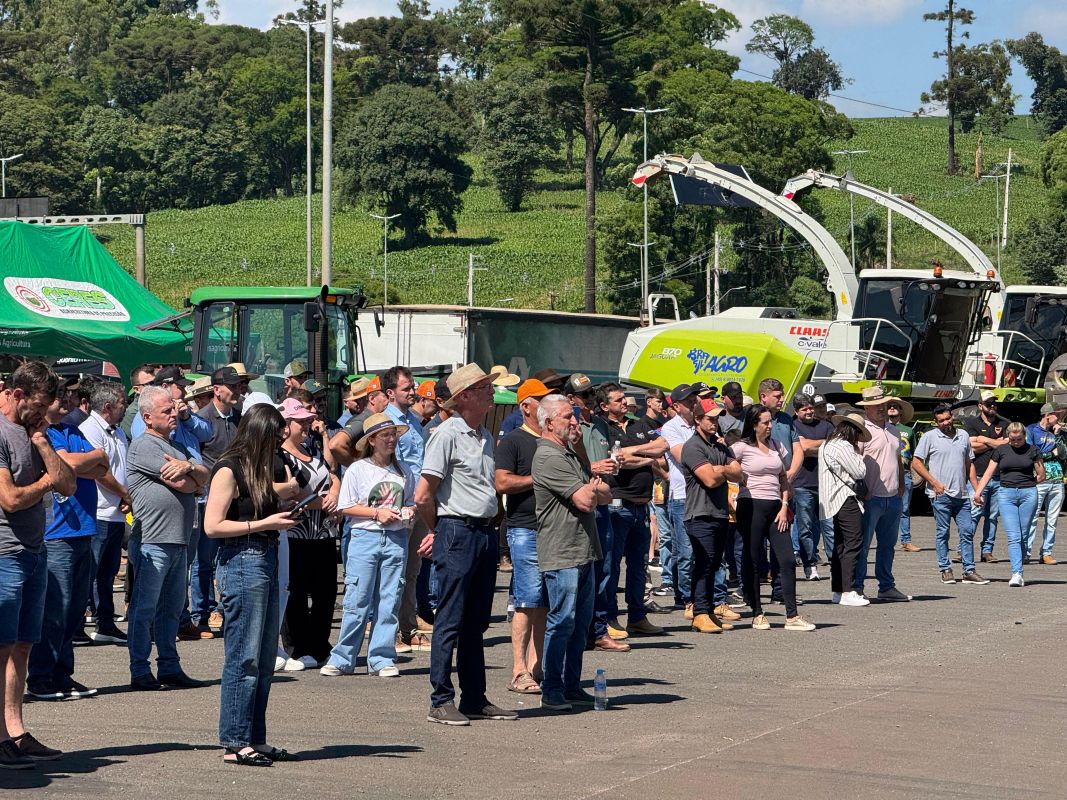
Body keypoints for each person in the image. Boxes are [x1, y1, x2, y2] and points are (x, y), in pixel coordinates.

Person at [415, 363, 518, 726]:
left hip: (483, 531)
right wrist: (439, 529)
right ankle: (440, 699)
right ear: (466, 396)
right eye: (485, 388)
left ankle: (474, 697)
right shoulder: (446, 434)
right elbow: (423, 494)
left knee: (475, 622)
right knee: (450, 619)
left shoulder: (484, 436)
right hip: (457, 528)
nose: (492, 393)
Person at [204, 404, 299, 767]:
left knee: (262, 658)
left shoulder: (259, 470)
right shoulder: (229, 468)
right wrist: (264, 524)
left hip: (265, 556)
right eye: (276, 437)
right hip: (241, 560)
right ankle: (235, 741)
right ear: (260, 433)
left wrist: (282, 516)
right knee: (243, 657)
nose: (279, 445)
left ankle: (253, 738)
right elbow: (213, 526)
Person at [0, 362, 76, 769]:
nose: (45, 413)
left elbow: (69, 484)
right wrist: (46, 481)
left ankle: (16, 731)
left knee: (23, 646)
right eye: (40, 405)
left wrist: (45, 447)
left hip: (33, 551)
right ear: (15, 394)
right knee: (2, 647)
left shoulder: (36, 432)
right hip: (4, 555)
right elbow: (9, 499)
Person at [25, 391, 108, 701]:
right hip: (57, 534)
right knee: (54, 612)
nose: (67, 402)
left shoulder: (72, 430)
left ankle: (62, 674)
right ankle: (41, 678)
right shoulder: (41, 434)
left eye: (68, 397)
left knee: (74, 614)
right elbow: (71, 464)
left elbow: (103, 467)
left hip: (84, 531)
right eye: (60, 397)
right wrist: (90, 459)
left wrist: (87, 462)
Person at [125, 386, 209, 691]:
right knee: (144, 608)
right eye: (167, 411)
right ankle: (139, 669)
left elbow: (203, 474)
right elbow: (189, 486)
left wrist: (190, 468)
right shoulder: (145, 445)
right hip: (152, 540)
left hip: (177, 540)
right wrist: (193, 478)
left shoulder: (175, 447)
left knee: (171, 610)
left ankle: (169, 668)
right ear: (147, 417)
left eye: (174, 409)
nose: (175, 414)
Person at [321, 412, 416, 678]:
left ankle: (381, 657)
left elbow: (410, 503)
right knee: (357, 598)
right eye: (385, 435)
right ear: (371, 440)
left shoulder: (404, 471)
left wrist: (409, 511)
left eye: (393, 435)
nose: (391, 440)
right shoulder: (358, 470)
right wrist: (376, 513)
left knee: (389, 599)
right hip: (365, 537)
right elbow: (346, 507)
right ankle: (343, 657)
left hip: (396, 539)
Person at [532, 395, 609, 711]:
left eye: (575, 415)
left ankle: (571, 684)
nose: (575, 421)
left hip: (583, 549)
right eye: (568, 416)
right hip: (562, 552)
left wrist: (593, 486)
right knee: (562, 621)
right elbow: (586, 499)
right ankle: (551, 688)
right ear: (549, 423)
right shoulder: (549, 457)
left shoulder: (570, 456)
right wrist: (592, 485)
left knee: (580, 624)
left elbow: (605, 494)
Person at [731, 404, 813, 631]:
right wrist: (734, 492)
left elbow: (783, 477)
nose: (770, 426)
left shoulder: (776, 445)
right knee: (754, 559)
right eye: (765, 423)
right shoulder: (740, 447)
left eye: (771, 422)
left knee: (787, 560)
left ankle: (792, 616)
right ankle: (757, 612)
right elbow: (727, 470)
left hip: (776, 507)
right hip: (751, 505)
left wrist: (784, 505)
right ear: (753, 425)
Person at [496, 378, 552, 694]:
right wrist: (536, 479)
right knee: (526, 600)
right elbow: (502, 482)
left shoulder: (553, 439)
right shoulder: (514, 441)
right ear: (526, 407)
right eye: (540, 400)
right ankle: (518, 670)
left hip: (552, 530)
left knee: (543, 602)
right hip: (525, 529)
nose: (546, 406)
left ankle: (536, 666)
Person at [565, 376, 626, 653]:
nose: (588, 398)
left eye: (591, 393)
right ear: (570, 398)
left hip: (603, 503)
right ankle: (580, 630)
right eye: (583, 394)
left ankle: (598, 630)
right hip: (579, 506)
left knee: (605, 569)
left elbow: (610, 458)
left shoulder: (601, 424)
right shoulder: (568, 427)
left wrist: (614, 464)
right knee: (580, 573)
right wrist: (593, 467)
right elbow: (569, 464)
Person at [597, 381, 663, 637]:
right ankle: (610, 618)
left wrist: (632, 451)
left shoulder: (638, 423)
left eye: (624, 398)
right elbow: (616, 463)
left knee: (639, 565)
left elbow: (663, 446)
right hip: (617, 505)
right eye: (617, 400)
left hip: (641, 505)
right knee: (611, 566)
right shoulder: (602, 427)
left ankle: (637, 616)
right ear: (605, 406)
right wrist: (646, 457)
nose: (624, 402)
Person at [278, 398, 340, 670]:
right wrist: (324, 501)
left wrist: (336, 493)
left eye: (307, 421)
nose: (306, 425)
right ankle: (298, 646)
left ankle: (320, 644)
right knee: (298, 592)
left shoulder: (312, 450)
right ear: (286, 425)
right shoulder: (281, 457)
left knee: (326, 592)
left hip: (324, 532)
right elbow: (293, 492)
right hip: (297, 534)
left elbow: (332, 474)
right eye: (300, 422)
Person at [680, 398, 743, 633]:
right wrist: (723, 470)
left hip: (719, 513)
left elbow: (739, 473)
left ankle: (707, 611)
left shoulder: (720, 446)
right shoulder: (693, 446)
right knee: (704, 564)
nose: (715, 423)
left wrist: (722, 469)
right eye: (710, 418)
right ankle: (700, 613)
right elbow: (708, 478)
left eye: (717, 419)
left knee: (715, 564)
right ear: (697, 419)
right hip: (699, 514)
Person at [190, 365, 245, 634]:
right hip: (208, 499)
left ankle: (224, 608)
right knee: (204, 559)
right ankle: (201, 613)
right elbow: (194, 457)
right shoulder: (202, 420)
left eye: (238, 386)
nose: (237, 390)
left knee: (229, 555)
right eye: (232, 386)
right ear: (216, 389)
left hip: (236, 497)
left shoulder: (239, 418)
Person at [381, 366, 432, 654]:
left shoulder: (414, 421)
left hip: (418, 504)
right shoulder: (386, 422)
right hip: (398, 506)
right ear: (390, 393)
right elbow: (391, 465)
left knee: (411, 571)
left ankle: (408, 627)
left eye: (412, 387)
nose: (412, 392)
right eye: (406, 388)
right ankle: (390, 634)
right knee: (393, 572)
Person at [77, 381, 132, 645]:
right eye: (123, 404)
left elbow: (124, 467)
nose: (125, 408)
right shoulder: (89, 430)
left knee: (107, 573)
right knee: (89, 572)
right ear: (108, 406)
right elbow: (100, 472)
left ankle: (106, 623)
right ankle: (76, 625)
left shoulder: (118, 432)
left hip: (117, 513)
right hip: (97, 512)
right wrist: (124, 493)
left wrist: (126, 496)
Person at [912, 404, 987, 585]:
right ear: (935, 422)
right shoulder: (930, 437)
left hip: (962, 495)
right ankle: (945, 569)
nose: (946, 422)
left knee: (967, 532)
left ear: (952, 416)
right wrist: (934, 482)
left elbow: (969, 465)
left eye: (947, 418)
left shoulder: (963, 436)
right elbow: (916, 462)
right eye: (941, 420)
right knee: (942, 533)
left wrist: (976, 491)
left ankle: (969, 570)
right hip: (940, 494)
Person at [854, 386, 912, 603]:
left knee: (888, 546)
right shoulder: (861, 431)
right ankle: (857, 587)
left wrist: (900, 485)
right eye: (876, 406)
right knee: (864, 545)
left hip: (893, 497)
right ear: (866, 408)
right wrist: (863, 490)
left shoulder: (894, 430)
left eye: (884, 405)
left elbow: (897, 458)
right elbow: (854, 462)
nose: (881, 409)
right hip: (872, 497)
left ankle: (886, 586)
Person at [974, 421, 1045, 587]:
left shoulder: (1033, 450)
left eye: (1019, 439)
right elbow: (988, 473)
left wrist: (1030, 483)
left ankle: (1019, 567)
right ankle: (1017, 573)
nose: (1015, 443)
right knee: (1014, 536)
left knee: (1024, 534)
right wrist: (978, 492)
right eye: (1012, 440)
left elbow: (1042, 475)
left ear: (1024, 437)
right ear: (1008, 437)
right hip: (1006, 494)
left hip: (1028, 494)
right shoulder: (1001, 450)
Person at [817, 413, 871, 607]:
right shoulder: (843, 446)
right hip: (845, 497)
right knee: (853, 543)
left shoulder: (827, 444)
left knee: (840, 545)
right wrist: (857, 454)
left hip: (831, 499)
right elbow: (860, 471)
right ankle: (848, 591)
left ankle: (838, 590)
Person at [655, 385, 696, 613]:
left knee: (702, 551)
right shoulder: (671, 427)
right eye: (688, 401)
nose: (693, 403)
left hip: (702, 496)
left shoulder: (700, 424)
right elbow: (685, 457)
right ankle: (684, 596)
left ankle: (699, 596)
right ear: (677, 406)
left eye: (694, 399)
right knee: (685, 551)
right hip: (681, 496)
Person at [791, 392, 834, 579]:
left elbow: (833, 447)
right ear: (796, 411)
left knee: (829, 526)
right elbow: (804, 448)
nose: (809, 411)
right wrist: (821, 445)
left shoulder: (826, 425)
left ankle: (836, 564)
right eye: (804, 409)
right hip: (802, 484)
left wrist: (813, 447)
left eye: (810, 408)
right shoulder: (792, 425)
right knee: (805, 527)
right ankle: (810, 564)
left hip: (826, 483)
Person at [964, 391, 1009, 562]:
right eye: (988, 403)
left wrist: (983, 439)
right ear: (980, 406)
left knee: (992, 517)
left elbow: (1008, 445)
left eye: (994, 404)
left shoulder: (1004, 423)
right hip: (977, 476)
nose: (992, 406)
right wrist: (996, 443)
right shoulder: (971, 423)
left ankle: (987, 551)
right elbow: (970, 446)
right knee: (973, 514)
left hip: (998, 477)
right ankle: (964, 549)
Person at [1025, 403, 1066, 565]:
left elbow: (1063, 454)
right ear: (1047, 415)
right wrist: (1051, 453)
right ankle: (1026, 552)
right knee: (1032, 518)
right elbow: (1031, 453)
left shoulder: (1059, 433)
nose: (1060, 417)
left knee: (1052, 519)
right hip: (1039, 480)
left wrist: (1057, 436)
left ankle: (1046, 552)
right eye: (1057, 414)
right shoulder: (1032, 430)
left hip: (1057, 480)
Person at [891, 402, 919, 553]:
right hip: (886, 474)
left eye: (896, 406)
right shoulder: (883, 428)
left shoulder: (909, 431)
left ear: (901, 411)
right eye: (889, 406)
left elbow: (914, 454)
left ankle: (906, 540)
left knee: (904, 508)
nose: (892, 408)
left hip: (905, 473)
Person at [119, 364, 157, 438]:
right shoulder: (132, 413)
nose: (155, 386)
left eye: (156, 382)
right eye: (150, 384)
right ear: (137, 389)